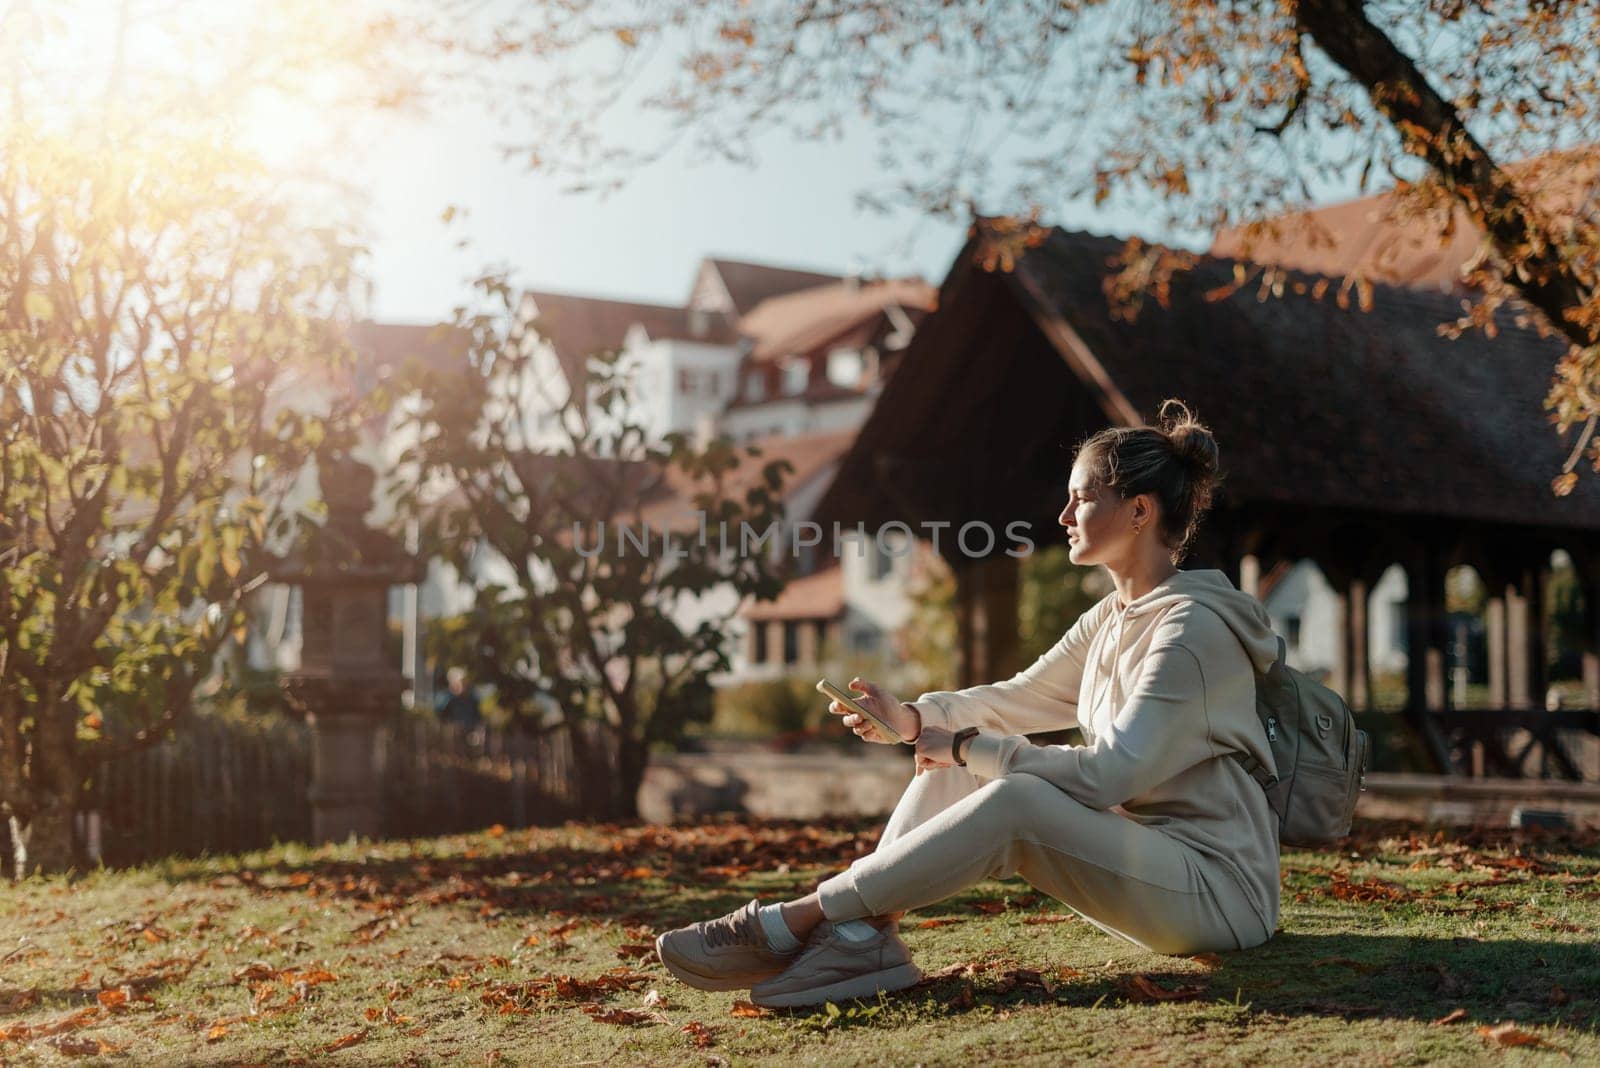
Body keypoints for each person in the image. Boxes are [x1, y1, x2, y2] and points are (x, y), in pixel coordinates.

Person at [655, 398, 1282, 1008]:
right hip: (1147, 866)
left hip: (1217, 891)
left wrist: (968, 746)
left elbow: (1109, 774)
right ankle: (860, 935)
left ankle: (799, 919)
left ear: (1140, 510)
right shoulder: (1114, 618)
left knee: (1010, 790)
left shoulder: (1191, 631)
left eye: (1083, 498)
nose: (1063, 515)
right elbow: (1017, 699)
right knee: (970, 762)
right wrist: (915, 721)